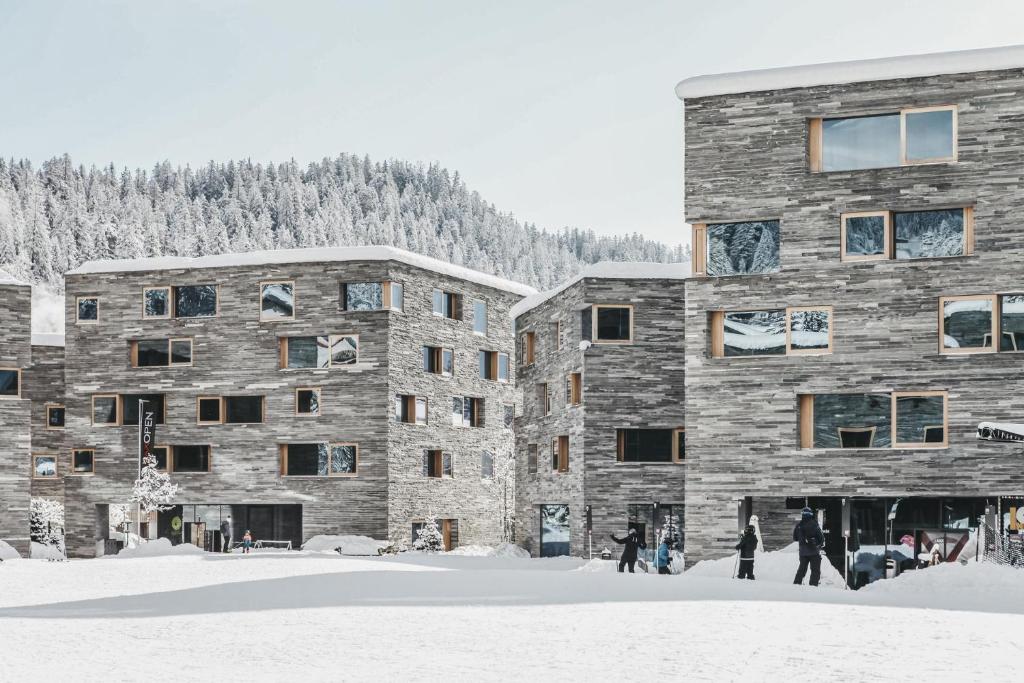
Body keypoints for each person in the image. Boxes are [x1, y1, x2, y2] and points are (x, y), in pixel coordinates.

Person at [793, 507, 825, 586]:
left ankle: (796, 584)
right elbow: (821, 538)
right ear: (811, 514)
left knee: (802, 569)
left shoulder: (798, 526)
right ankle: (813, 586)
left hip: (803, 552)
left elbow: (795, 538)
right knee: (815, 570)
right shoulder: (814, 524)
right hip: (814, 551)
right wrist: (818, 544)